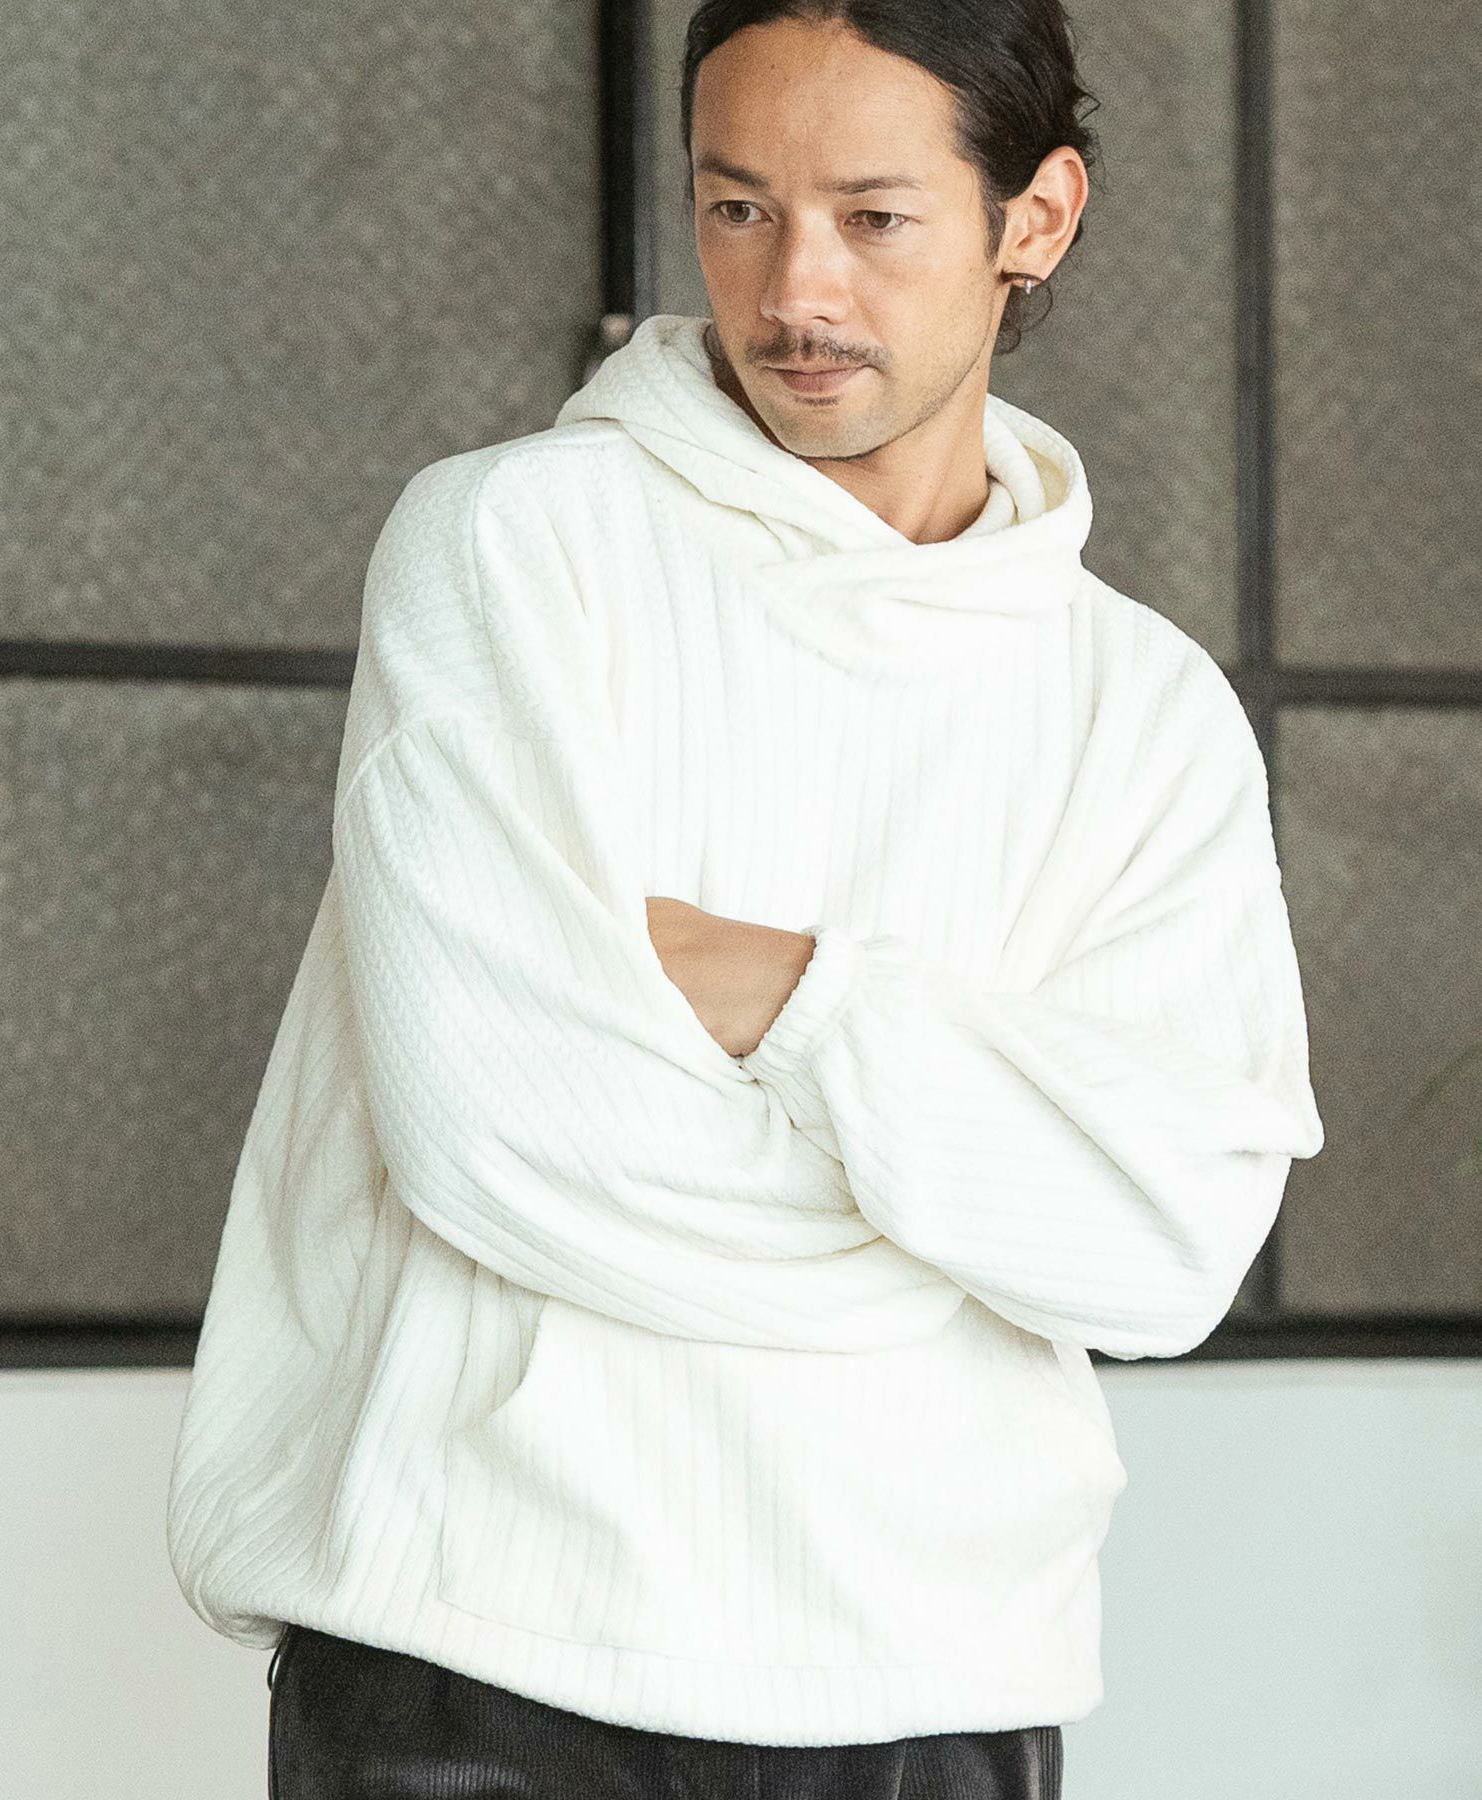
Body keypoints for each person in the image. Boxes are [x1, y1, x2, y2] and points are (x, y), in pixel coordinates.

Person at [167, 2, 1326, 1795]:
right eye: (738, 209)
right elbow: (504, 1138)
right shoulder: (514, 547)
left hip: (938, 1674)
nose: (796, 290)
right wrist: (949, 1233)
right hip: (478, 1659)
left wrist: (794, 995)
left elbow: (1167, 1251)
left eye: (874, 217)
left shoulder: (1149, 711)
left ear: (1034, 217)